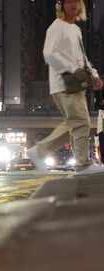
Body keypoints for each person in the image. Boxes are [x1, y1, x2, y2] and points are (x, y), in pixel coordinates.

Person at [28, 0, 103, 174]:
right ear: (61, 6)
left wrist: (94, 75)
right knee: (81, 122)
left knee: (73, 123)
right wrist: (73, 69)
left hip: (75, 84)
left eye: (76, 1)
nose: (73, 5)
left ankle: (38, 151)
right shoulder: (57, 26)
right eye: (68, 1)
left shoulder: (74, 29)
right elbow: (49, 54)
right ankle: (83, 164)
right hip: (64, 84)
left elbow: (81, 58)